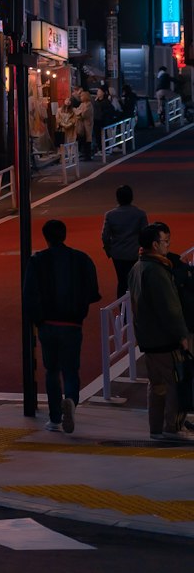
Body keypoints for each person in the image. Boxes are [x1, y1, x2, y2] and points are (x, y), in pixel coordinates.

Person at [23, 218, 100, 434]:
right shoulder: (81, 259)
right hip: (72, 323)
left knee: (51, 371)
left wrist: (37, 319)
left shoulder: (38, 261)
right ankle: (71, 403)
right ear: (64, 235)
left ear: (45, 237)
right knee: (71, 370)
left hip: (47, 324)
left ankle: (55, 417)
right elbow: (93, 290)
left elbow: (29, 294)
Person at [128, 223, 192, 443]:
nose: (168, 245)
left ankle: (156, 427)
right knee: (175, 383)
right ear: (155, 244)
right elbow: (170, 307)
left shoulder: (137, 268)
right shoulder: (156, 270)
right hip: (164, 339)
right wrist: (182, 335)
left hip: (148, 339)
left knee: (156, 385)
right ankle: (173, 427)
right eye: (165, 241)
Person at [100, 184, 148, 297]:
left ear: (117, 198)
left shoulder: (110, 215)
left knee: (122, 282)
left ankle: (123, 310)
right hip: (135, 253)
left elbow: (105, 236)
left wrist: (109, 250)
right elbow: (145, 234)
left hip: (118, 254)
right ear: (131, 197)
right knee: (136, 281)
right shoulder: (140, 214)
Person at [75, 86, 95, 160]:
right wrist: (79, 113)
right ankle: (84, 154)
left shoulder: (89, 104)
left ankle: (87, 155)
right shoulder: (82, 104)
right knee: (82, 140)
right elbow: (77, 112)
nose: (80, 97)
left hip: (87, 125)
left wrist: (79, 113)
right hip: (82, 125)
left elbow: (83, 114)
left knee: (87, 140)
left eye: (82, 95)